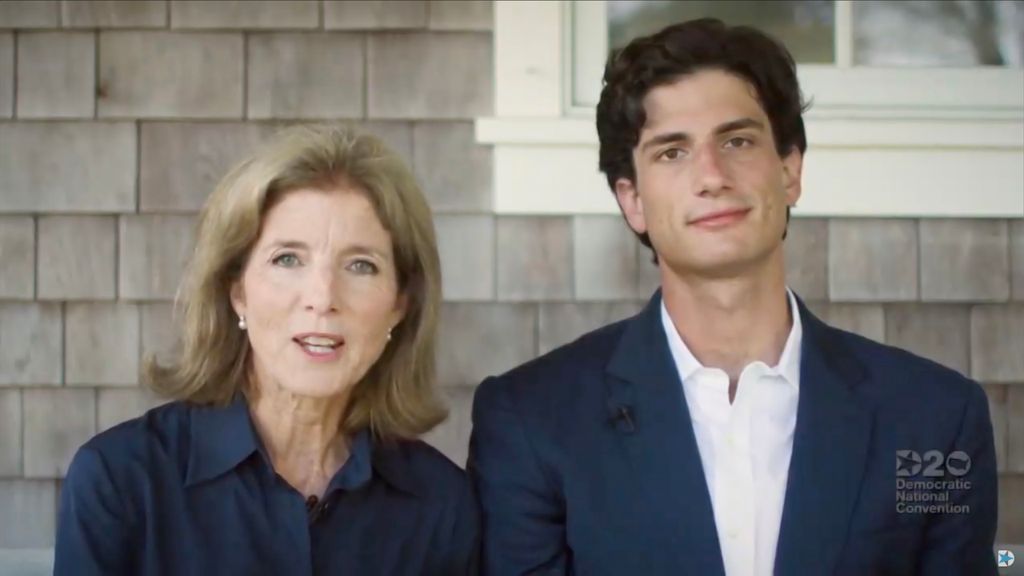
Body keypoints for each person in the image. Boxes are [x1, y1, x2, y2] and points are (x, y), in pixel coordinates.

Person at [469, 18, 997, 576]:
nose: (712, 175)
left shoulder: (934, 416)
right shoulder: (532, 421)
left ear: (790, 170)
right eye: (672, 152)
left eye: (737, 140)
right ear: (633, 200)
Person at [54, 125, 479, 575]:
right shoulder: (121, 481)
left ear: (399, 305)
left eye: (360, 265)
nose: (322, 296)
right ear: (237, 291)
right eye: (288, 259)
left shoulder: (441, 504)